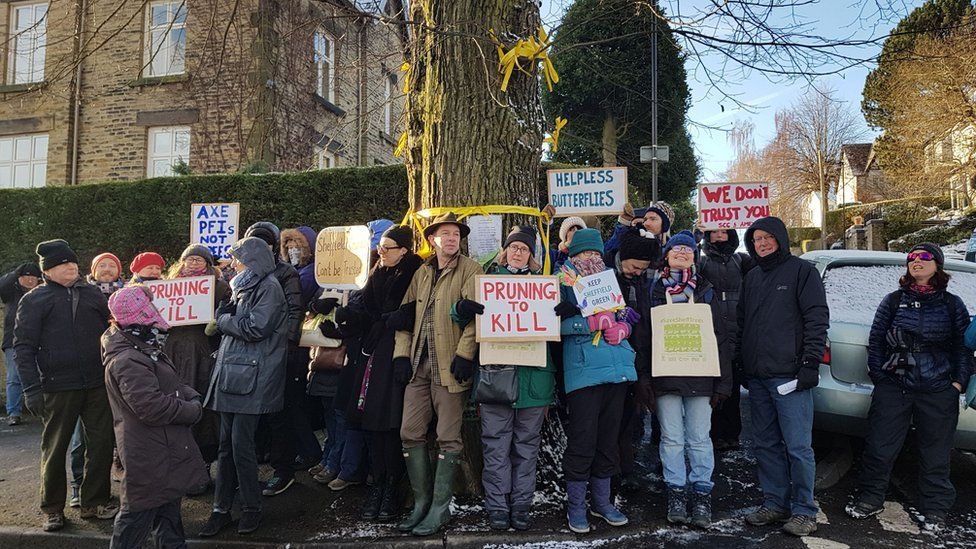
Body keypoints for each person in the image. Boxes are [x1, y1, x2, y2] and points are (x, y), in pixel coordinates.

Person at [846, 243, 973, 530]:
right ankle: (870, 497)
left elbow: (962, 348)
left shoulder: (953, 304)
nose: (917, 262)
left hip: (939, 388)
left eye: (925, 257)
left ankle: (936, 508)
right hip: (895, 385)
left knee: (936, 453)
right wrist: (881, 377)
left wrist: (957, 383)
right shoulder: (892, 300)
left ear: (937, 265)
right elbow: (876, 341)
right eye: (912, 258)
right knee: (880, 446)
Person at [452, 226, 556, 531]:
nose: (518, 252)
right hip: (496, 379)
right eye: (514, 247)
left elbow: (557, 327)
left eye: (524, 249)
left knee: (526, 448)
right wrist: (461, 308)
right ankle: (497, 506)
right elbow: (459, 316)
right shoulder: (487, 281)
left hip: (535, 382)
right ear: (505, 250)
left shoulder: (544, 286)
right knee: (495, 447)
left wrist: (563, 311)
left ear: (531, 255)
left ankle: (521, 505)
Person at [15, 240, 117, 531]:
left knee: (100, 444)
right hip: (57, 386)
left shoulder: (93, 293)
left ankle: (94, 502)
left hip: (97, 382)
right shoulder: (35, 299)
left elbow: (113, 328)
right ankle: (52, 508)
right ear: (48, 270)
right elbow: (23, 347)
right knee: (55, 448)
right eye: (63, 264)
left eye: (73, 262)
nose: (71, 266)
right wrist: (31, 388)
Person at [737, 217, 828, 537]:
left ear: (780, 238)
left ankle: (804, 510)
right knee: (765, 445)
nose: (761, 243)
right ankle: (774, 502)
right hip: (759, 378)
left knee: (798, 446)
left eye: (767, 237)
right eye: (756, 239)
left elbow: (817, 319)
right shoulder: (752, 278)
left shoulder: (803, 272)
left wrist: (810, 364)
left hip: (790, 377)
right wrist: (741, 363)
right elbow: (743, 322)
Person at [393, 212, 482, 536]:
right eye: (444, 233)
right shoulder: (422, 272)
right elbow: (405, 317)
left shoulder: (471, 270)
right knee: (410, 431)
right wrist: (401, 355)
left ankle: (439, 509)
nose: (451, 238)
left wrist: (464, 354)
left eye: (455, 234)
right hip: (418, 366)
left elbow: (476, 319)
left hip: (450, 367)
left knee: (448, 437)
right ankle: (421, 503)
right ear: (432, 239)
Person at [328, 225, 422, 522]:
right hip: (372, 353)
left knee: (388, 423)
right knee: (369, 422)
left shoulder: (414, 272)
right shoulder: (379, 273)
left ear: (404, 250)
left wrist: (401, 318)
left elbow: (418, 311)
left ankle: (391, 486)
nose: (380, 252)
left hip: (395, 354)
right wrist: (343, 320)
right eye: (380, 246)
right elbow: (366, 312)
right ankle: (378, 483)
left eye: (387, 247)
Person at [103, 285, 208, 549]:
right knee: (135, 520)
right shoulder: (129, 358)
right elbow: (151, 407)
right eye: (150, 306)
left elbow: (168, 383)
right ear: (140, 313)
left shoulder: (142, 346)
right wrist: (191, 410)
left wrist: (190, 393)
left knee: (167, 517)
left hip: (161, 450)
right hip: (149, 453)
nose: (156, 309)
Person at [199, 237, 288, 537]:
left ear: (251, 260)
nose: (232, 262)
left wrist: (223, 320)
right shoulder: (244, 284)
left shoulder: (268, 288)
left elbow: (255, 328)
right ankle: (220, 509)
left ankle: (251, 508)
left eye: (237, 257)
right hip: (235, 375)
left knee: (241, 447)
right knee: (227, 448)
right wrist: (228, 314)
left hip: (252, 377)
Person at [556, 228, 638, 533]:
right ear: (572, 254)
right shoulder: (561, 281)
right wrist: (585, 323)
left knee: (608, 441)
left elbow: (628, 312)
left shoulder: (609, 279)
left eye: (594, 253)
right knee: (583, 441)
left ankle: (602, 502)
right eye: (583, 253)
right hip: (584, 372)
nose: (589, 258)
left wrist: (625, 328)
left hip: (616, 369)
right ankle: (576, 505)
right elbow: (550, 322)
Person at [648, 230, 732, 528]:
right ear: (666, 256)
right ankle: (676, 493)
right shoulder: (655, 289)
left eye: (687, 250)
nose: (681, 253)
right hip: (666, 376)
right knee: (671, 439)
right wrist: (645, 379)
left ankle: (701, 495)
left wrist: (723, 381)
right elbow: (646, 337)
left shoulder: (706, 289)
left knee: (699, 439)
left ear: (694, 257)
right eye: (675, 250)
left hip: (701, 375)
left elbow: (719, 337)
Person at [242, 222, 311, 497]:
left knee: (279, 414)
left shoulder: (286, 273)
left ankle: (283, 470)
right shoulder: (244, 275)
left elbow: (295, 310)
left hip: (277, 353)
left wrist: (286, 348)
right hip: (249, 354)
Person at [162, 244, 232, 494]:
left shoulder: (219, 287)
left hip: (201, 353)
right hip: (172, 351)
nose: (192, 264)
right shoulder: (166, 287)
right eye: (188, 259)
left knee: (200, 406)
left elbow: (225, 314)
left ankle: (200, 465)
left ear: (208, 264)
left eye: (198, 260)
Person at [607, 228, 659, 492]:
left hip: (638, 355)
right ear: (622, 258)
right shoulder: (607, 278)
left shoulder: (641, 282)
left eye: (643, 268)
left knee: (630, 421)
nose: (638, 271)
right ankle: (614, 472)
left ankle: (627, 468)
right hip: (612, 357)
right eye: (635, 266)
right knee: (613, 421)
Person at [698, 229, 753, 451]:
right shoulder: (701, 262)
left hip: (736, 331)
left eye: (724, 231)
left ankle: (732, 434)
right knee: (713, 387)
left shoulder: (742, 260)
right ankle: (715, 433)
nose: (719, 236)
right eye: (715, 232)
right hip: (711, 331)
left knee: (733, 389)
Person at [1, 262, 40, 426]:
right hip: (13, 340)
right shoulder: (11, 292)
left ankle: (42, 410)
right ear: (19, 278)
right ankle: (14, 413)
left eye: (33, 277)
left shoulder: (42, 294)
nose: (30, 280)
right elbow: (2, 284)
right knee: (14, 378)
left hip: (39, 340)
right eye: (26, 276)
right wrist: (15, 272)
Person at [604, 201, 674, 260]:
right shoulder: (633, 243)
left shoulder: (675, 250)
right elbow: (607, 252)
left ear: (665, 225)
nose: (646, 223)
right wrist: (623, 224)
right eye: (645, 219)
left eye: (653, 219)